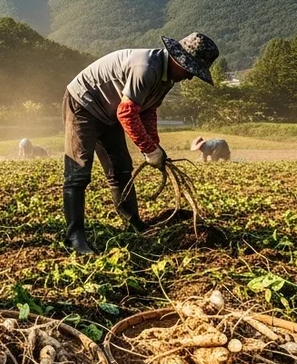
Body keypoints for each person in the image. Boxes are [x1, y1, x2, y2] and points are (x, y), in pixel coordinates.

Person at [62, 34, 220, 254]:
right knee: (78, 172)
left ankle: (132, 222)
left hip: (110, 112)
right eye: (190, 70)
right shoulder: (146, 68)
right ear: (177, 59)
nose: (190, 77)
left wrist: (154, 144)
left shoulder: (168, 79)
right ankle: (74, 236)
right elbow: (126, 112)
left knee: (121, 168)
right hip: (84, 104)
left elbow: (148, 110)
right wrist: (148, 149)